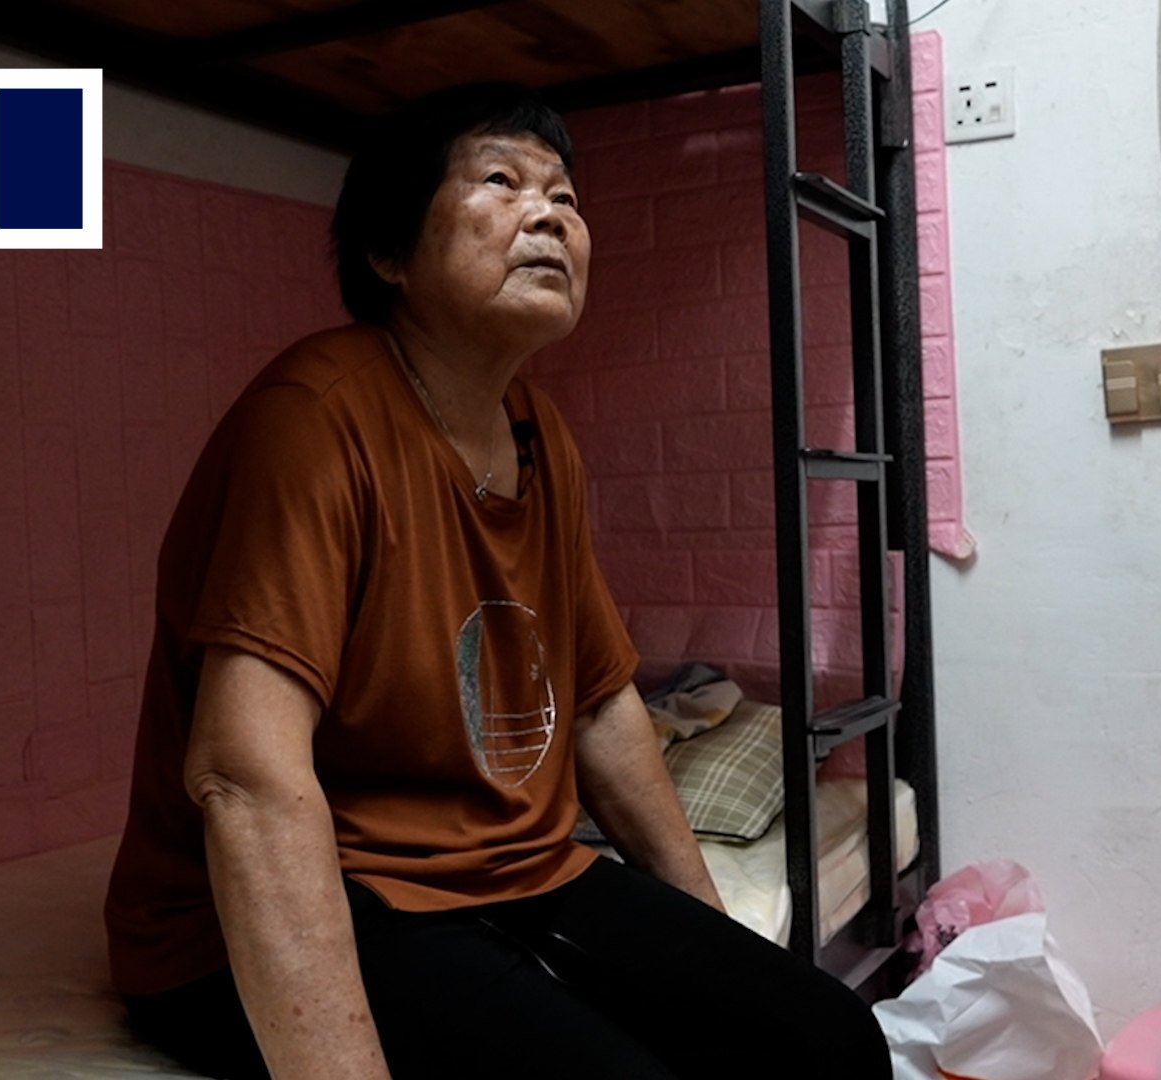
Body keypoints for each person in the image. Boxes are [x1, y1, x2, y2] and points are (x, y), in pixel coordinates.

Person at [103, 84, 893, 1080]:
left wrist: (709, 941)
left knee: (833, 1040)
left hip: (510, 871)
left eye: (566, 195)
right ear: (390, 254)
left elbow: (603, 701)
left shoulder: (539, 433)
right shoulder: (314, 420)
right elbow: (245, 778)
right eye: (501, 180)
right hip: (300, 901)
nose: (552, 214)